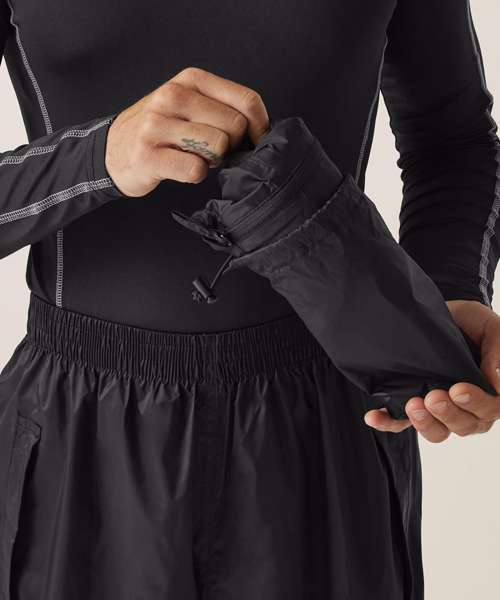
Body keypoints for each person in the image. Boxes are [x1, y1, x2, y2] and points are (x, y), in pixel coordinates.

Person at [0, 0, 499, 598]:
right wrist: (97, 156)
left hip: (327, 426)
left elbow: (454, 141)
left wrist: (450, 294)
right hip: (77, 434)